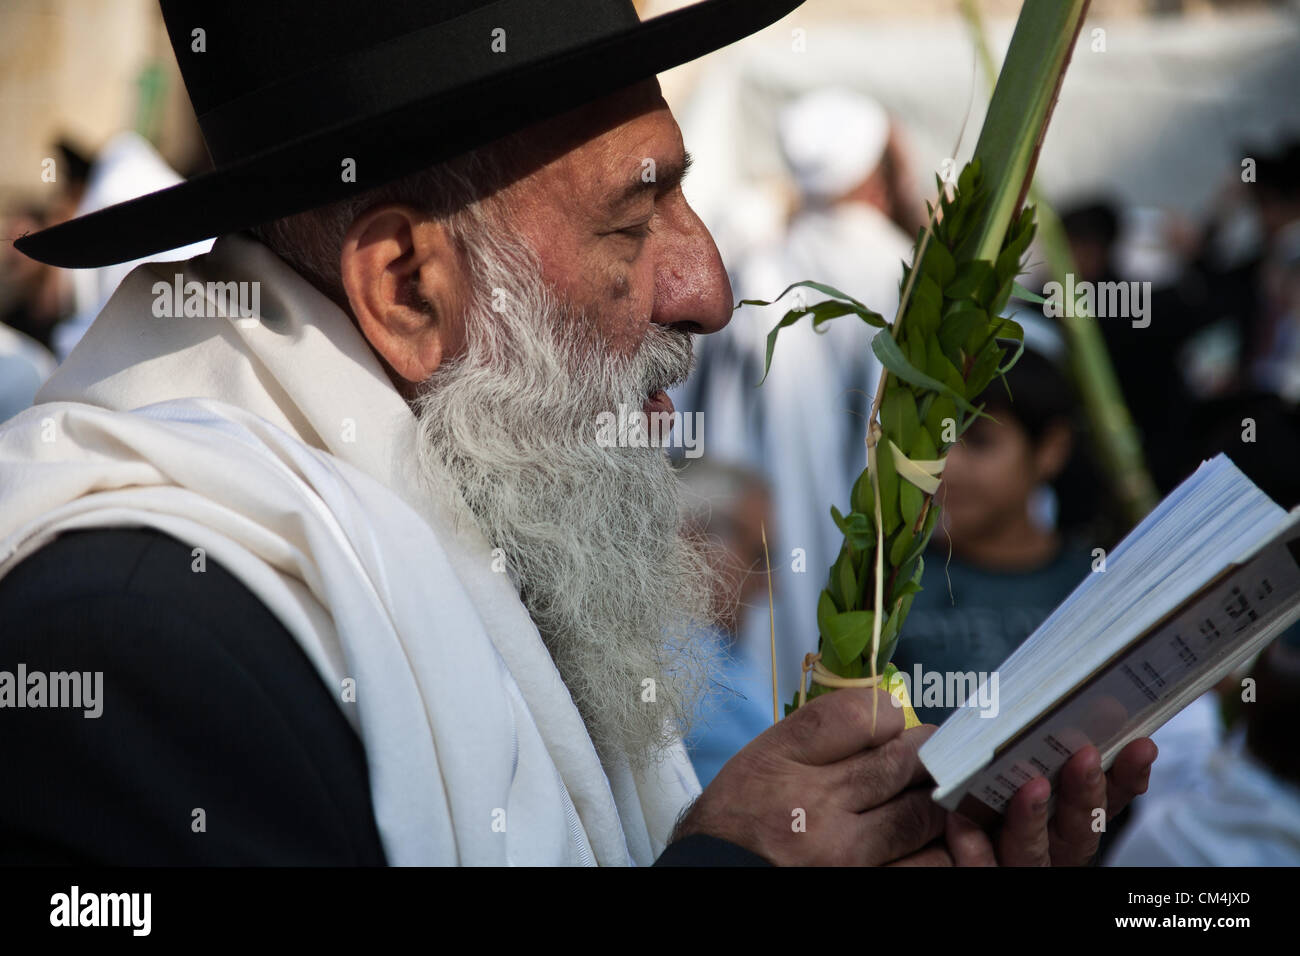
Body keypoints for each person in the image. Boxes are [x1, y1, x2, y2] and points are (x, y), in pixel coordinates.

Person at [0, 0, 1153, 866]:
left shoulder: (476, 515)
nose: (707, 286)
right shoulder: (139, 644)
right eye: (634, 214)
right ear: (407, 287)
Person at [892, 322, 1097, 726]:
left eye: (980, 441)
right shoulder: (892, 583)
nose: (946, 467)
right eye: (938, 440)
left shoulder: (1093, 586)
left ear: (1052, 449)